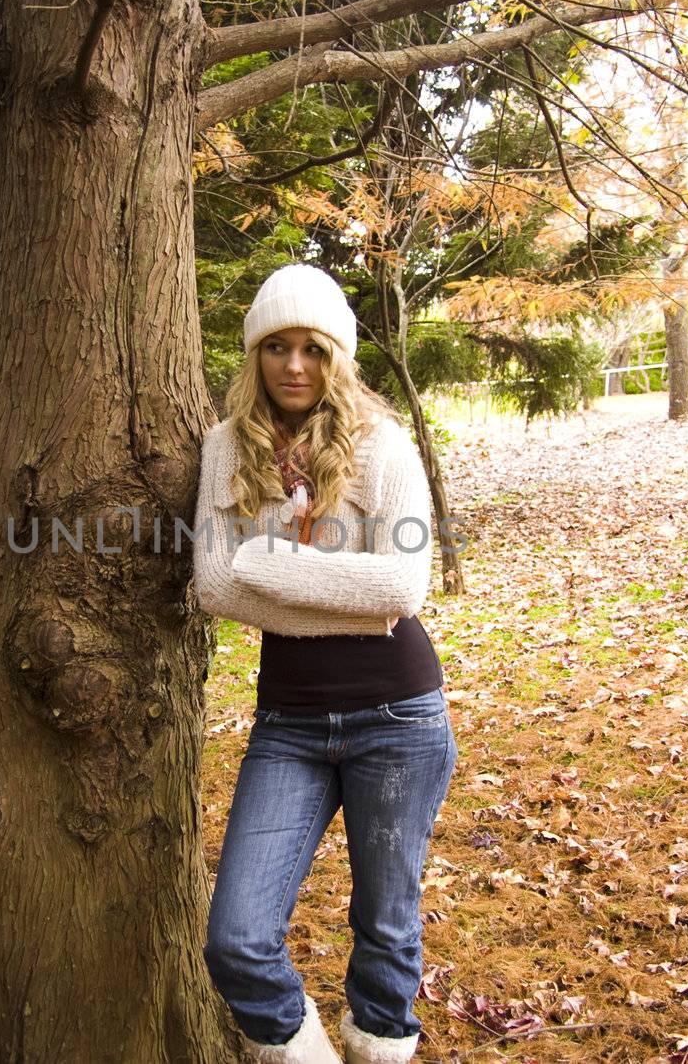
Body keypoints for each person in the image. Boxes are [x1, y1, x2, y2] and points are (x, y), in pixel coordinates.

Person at [193, 263, 457, 1064]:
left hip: (399, 716)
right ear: (255, 355)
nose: (295, 365)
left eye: (313, 347)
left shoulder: (381, 445)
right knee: (236, 937)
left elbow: (402, 586)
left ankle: (381, 1045)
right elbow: (211, 584)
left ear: (337, 355)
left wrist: (264, 560)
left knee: (385, 922)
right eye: (277, 346)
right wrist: (338, 593)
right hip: (290, 725)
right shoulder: (223, 448)